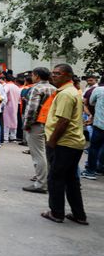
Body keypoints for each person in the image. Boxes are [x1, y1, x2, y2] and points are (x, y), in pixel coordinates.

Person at [40, 64, 88, 225]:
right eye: (53, 73)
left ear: (68, 75)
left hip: (64, 143)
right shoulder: (70, 91)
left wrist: (52, 142)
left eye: (57, 74)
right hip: (73, 143)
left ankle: (56, 213)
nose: (54, 76)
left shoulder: (66, 94)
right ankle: (79, 215)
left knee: (55, 178)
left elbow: (63, 121)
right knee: (71, 180)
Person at [22, 67, 56, 193]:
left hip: (37, 124)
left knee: (38, 155)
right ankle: (46, 180)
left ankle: (41, 184)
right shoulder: (54, 88)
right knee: (46, 153)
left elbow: (32, 109)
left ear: (36, 75)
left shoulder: (37, 88)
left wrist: (26, 124)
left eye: (32, 74)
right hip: (49, 124)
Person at [81, 76, 104, 180]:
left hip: (100, 123)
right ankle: (101, 168)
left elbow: (91, 102)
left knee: (94, 147)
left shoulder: (98, 90)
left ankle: (90, 171)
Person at [2, 73, 20, 142]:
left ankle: (5, 137)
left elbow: (3, 94)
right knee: (14, 120)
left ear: (5, 79)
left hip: (8, 105)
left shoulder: (7, 86)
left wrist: (4, 101)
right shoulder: (16, 87)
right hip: (15, 105)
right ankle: (13, 137)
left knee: (6, 121)